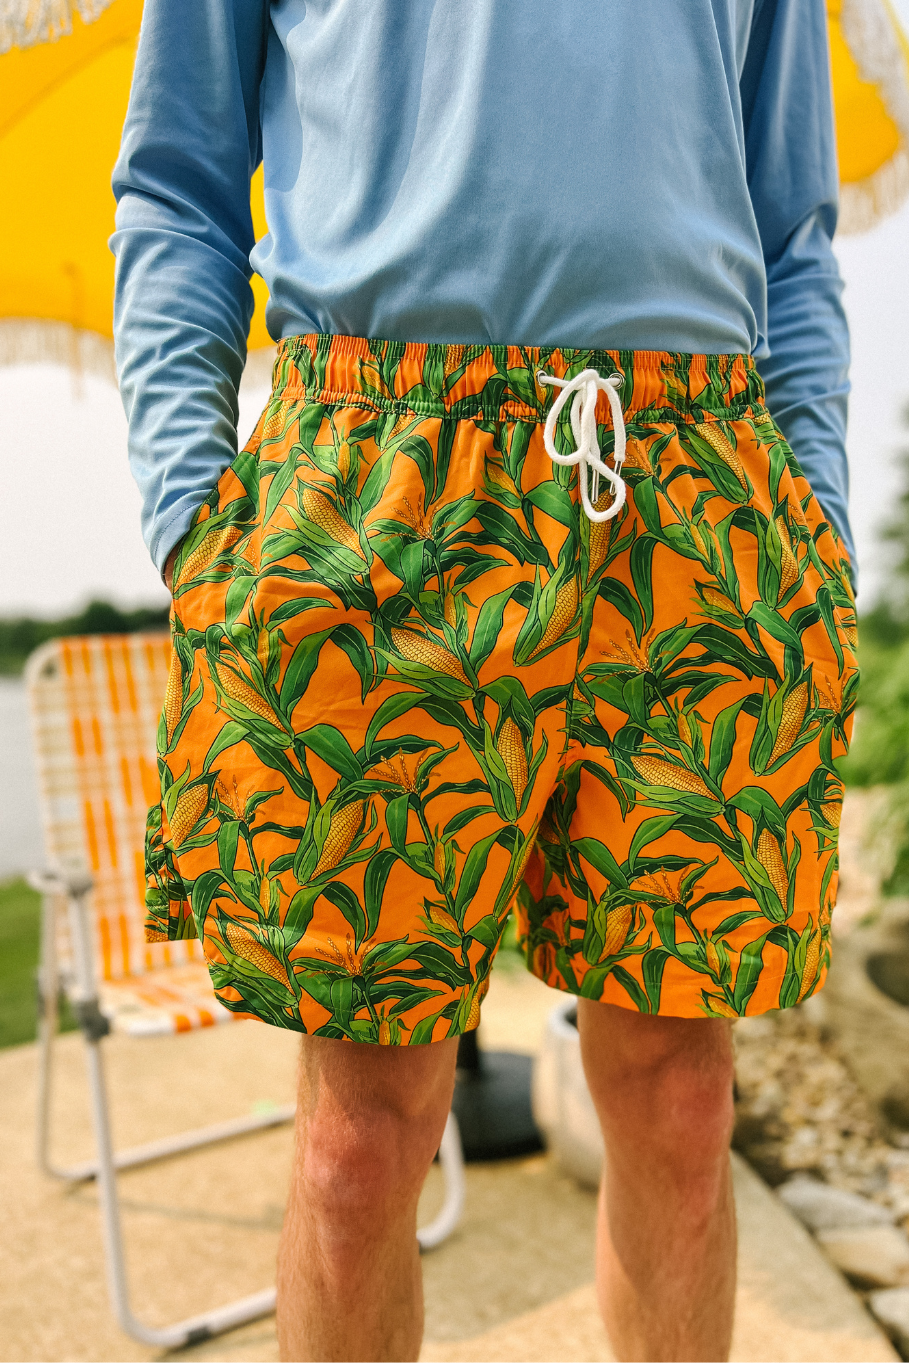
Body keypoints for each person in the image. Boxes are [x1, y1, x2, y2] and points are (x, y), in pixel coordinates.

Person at [111, 2, 858, 1358]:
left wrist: (816, 520)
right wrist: (193, 526)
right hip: (375, 484)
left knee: (682, 1102)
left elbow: (794, 229)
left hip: (693, 484)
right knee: (359, 1138)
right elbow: (175, 181)